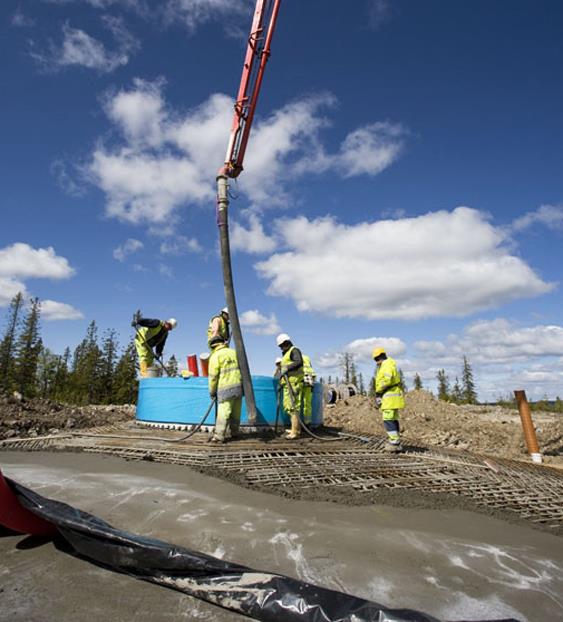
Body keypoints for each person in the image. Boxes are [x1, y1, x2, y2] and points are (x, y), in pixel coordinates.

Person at [208, 336, 243, 443]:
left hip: (225, 388)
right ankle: (235, 432)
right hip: (238, 388)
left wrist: (212, 391)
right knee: (236, 412)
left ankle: (219, 436)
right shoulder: (234, 352)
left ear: (212, 346)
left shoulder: (215, 356)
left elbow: (213, 377)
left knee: (224, 412)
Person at [372, 347, 405, 452]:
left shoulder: (386, 365)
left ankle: (394, 441)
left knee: (388, 418)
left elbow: (386, 380)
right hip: (392, 395)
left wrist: (379, 391)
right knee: (393, 418)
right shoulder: (389, 364)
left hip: (389, 395)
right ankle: (396, 440)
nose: (376, 362)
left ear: (380, 357)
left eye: (376, 360)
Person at [276, 333, 304, 440]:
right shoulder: (287, 353)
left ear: (286, 343)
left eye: (281, 346)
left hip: (294, 384)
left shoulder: (294, 350)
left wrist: (287, 367)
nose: (281, 348)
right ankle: (296, 428)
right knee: (289, 406)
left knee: (293, 407)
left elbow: (299, 362)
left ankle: (295, 432)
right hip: (289, 384)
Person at [302, 353, 316, 425]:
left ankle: (297, 424)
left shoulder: (295, 358)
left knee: (296, 403)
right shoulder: (307, 359)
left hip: (300, 379)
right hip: (309, 380)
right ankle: (307, 423)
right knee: (307, 403)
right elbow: (313, 376)